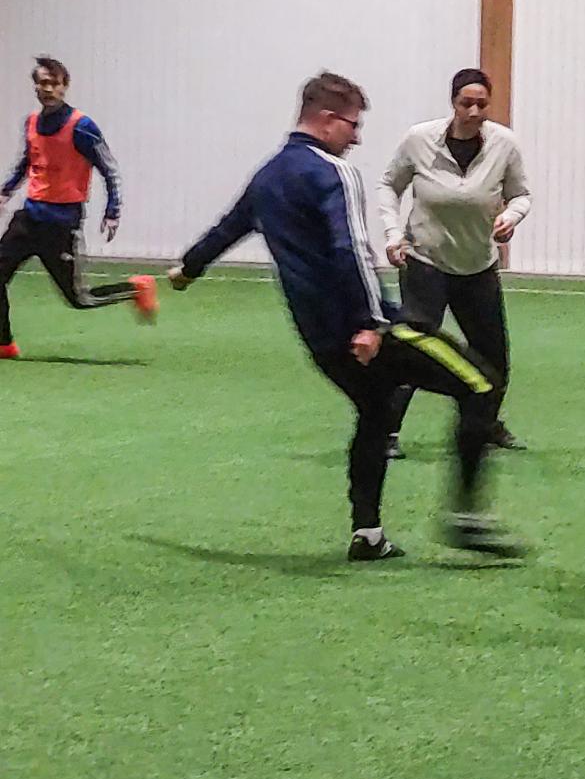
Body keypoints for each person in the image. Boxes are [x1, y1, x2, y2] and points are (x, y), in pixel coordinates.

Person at [168, 71, 519, 562]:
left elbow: (228, 228)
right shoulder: (331, 172)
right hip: (370, 328)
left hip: (321, 343)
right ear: (327, 119)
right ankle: (466, 517)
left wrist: (188, 268)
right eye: (352, 125)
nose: (356, 138)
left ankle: (368, 534)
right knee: (482, 385)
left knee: (376, 413)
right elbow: (350, 248)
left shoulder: (267, 176)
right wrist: (372, 324)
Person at [378, 67, 532, 456]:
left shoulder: (504, 145)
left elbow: (521, 195)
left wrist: (510, 218)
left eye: (482, 103)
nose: (475, 111)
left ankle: (484, 425)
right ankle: (386, 433)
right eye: (467, 103)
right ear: (453, 104)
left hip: (478, 265)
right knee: (413, 349)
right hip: (425, 261)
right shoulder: (419, 140)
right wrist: (393, 235)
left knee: (493, 355)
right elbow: (388, 186)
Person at [0, 55, 157, 358]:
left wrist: (113, 211)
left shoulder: (81, 126)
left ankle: (137, 288)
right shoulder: (32, 122)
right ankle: (4, 343)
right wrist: (6, 191)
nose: (47, 89)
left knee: (80, 299)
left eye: (53, 83)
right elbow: (27, 161)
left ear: (64, 86)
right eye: (41, 83)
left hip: (60, 224)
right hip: (28, 218)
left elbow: (109, 169)